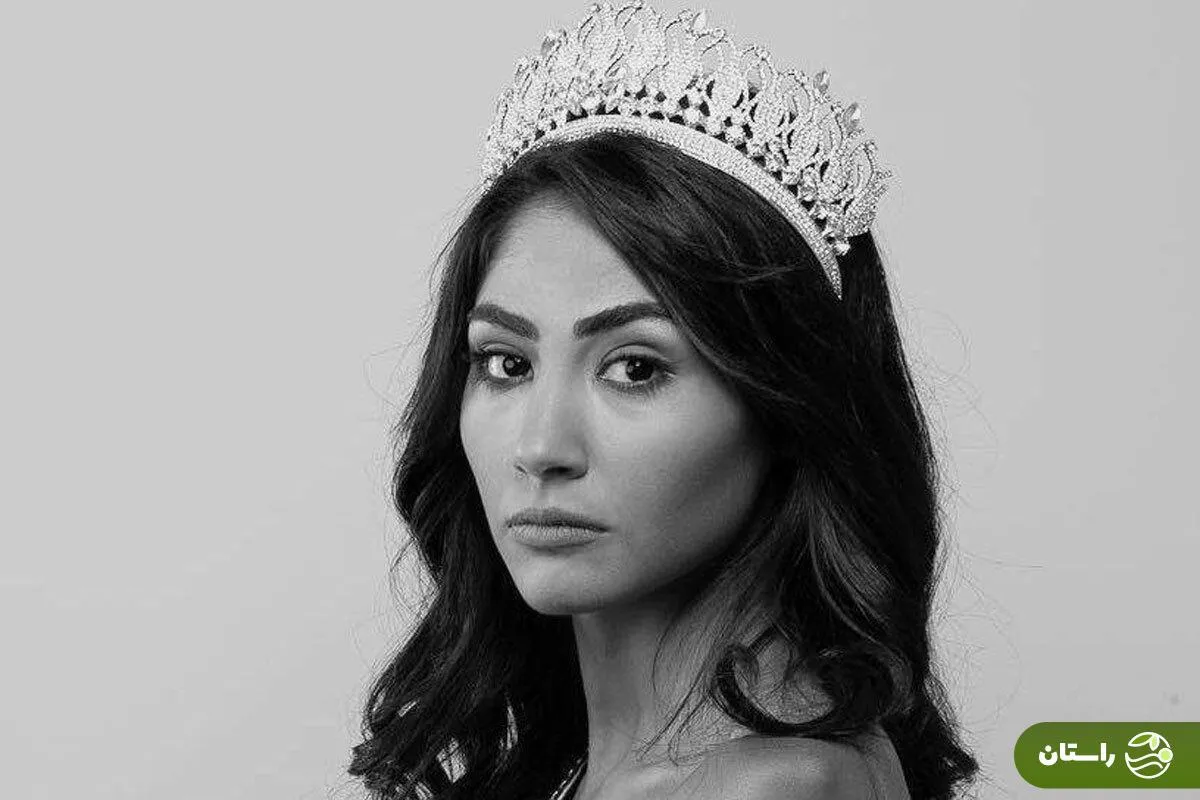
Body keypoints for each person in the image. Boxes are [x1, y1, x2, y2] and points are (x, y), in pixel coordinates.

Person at [348, 3, 980, 798]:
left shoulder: (768, 788)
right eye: (506, 363)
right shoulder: (633, 774)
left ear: (786, 406)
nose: (540, 448)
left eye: (636, 368)